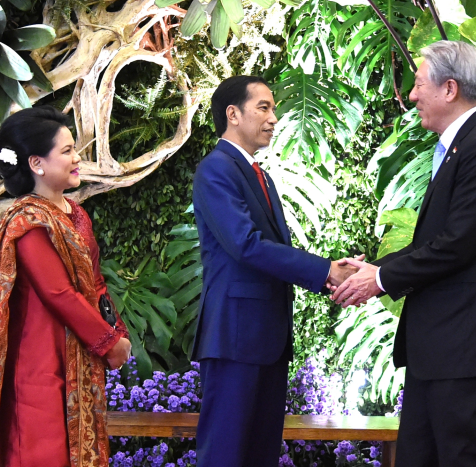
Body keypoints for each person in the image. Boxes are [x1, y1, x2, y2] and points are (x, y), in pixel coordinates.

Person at [332, 41, 476, 466]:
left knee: (458, 457)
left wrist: (377, 281)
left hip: (463, 345)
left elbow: (456, 245)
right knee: (419, 456)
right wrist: (372, 270)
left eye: (418, 84)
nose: (411, 95)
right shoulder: (458, 148)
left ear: (449, 89)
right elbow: (432, 244)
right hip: (439, 346)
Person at [0, 106, 132, 467]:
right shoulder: (28, 222)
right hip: (38, 366)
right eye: (67, 151)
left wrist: (116, 330)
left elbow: (94, 282)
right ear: (37, 163)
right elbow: (57, 293)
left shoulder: (74, 214)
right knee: (41, 453)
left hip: (75, 356)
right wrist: (108, 342)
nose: (78, 158)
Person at [191, 75, 356, 467]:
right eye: (263, 108)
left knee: (259, 452)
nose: (274, 118)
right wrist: (325, 271)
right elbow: (246, 244)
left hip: (265, 337)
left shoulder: (258, 174)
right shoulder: (216, 170)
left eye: (274, 109)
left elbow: (270, 250)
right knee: (226, 453)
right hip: (235, 335)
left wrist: (327, 273)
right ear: (233, 114)